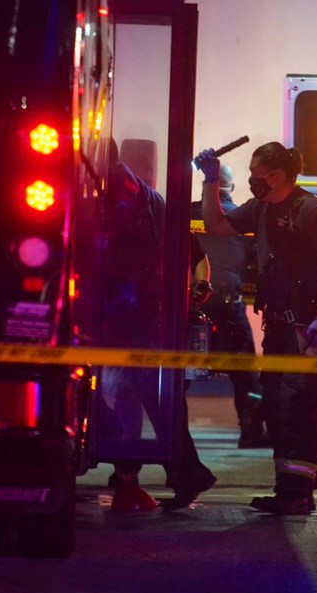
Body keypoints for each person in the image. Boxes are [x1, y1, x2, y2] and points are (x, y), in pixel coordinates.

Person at [195, 141, 317, 515]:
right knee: (277, 410)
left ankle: (299, 492)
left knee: (300, 412)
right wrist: (210, 181)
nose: (252, 179)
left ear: (275, 175)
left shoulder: (311, 211)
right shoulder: (260, 208)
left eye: (256, 173)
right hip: (278, 327)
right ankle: (287, 491)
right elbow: (216, 224)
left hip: (304, 328)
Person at [103, 139, 215, 512]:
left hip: (123, 315)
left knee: (130, 394)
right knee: (149, 395)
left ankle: (143, 472)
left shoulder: (108, 196)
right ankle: (143, 471)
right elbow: (196, 253)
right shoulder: (152, 199)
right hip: (149, 315)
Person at [190, 164, 268, 448]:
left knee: (177, 372)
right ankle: (251, 431)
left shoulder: (185, 212)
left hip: (190, 305)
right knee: (245, 371)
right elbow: (255, 261)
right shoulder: (239, 218)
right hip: (227, 303)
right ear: (231, 188)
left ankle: (173, 433)